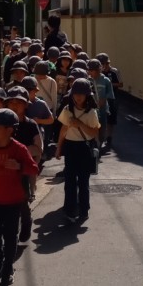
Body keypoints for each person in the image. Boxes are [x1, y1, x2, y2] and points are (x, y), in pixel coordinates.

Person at [0, 108, 40, 286]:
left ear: (9, 130)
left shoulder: (19, 149)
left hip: (13, 202)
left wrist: (19, 166)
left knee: (10, 236)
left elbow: (34, 169)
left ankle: (8, 267)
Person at [55, 78, 101, 225]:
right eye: (76, 94)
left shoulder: (91, 112)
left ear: (87, 95)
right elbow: (63, 130)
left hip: (84, 147)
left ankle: (83, 210)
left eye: (81, 94)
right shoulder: (67, 109)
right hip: (70, 147)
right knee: (69, 181)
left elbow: (94, 132)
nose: (78, 97)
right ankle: (70, 210)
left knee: (83, 181)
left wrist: (80, 124)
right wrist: (58, 148)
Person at [6, 86, 42, 242]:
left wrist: (19, 151)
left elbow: (38, 149)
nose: (14, 105)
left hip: (22, 170)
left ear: (26, 105)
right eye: (11, 102)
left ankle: (26, 221)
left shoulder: (30, 125)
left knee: (22, 201)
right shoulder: (2, 123)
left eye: (19, 102)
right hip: (3, 169)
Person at [89, 58, 114, 152]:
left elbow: (110, 93)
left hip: (102, 109)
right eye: (89, 70)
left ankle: (100, 144)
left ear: (98, 70)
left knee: (102, 127)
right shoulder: (88, 80)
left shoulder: (106, 80)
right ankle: (93, 145)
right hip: (91, 109)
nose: (91, 72)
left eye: (93, 70)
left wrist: (104, 99)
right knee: (91, 127)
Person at [98, 52, 122, 149]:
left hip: (112, 98)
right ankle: (100, 137)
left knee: (111, 119)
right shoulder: (99, 72)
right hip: (101, 98)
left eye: (105, 64)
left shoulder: (114, 71)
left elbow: (121, 84)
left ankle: (109, 137)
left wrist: (109, 84)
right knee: (100, 117)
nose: (104, 66)